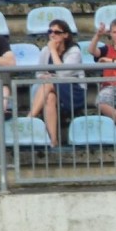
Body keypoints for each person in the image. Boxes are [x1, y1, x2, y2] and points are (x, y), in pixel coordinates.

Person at [28, 19, 86, 147]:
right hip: (53, 89)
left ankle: (29, 119)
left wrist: (53, 51)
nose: (52, 35)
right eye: (50, 31)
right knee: (50, 98)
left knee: (49, 83)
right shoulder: (45, 51)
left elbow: (64, 74)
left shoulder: (74, 51)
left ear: (65, 35)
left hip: (73, 91)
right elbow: (38, 74)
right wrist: (45, 76)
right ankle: (53, 139)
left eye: (57, 32)